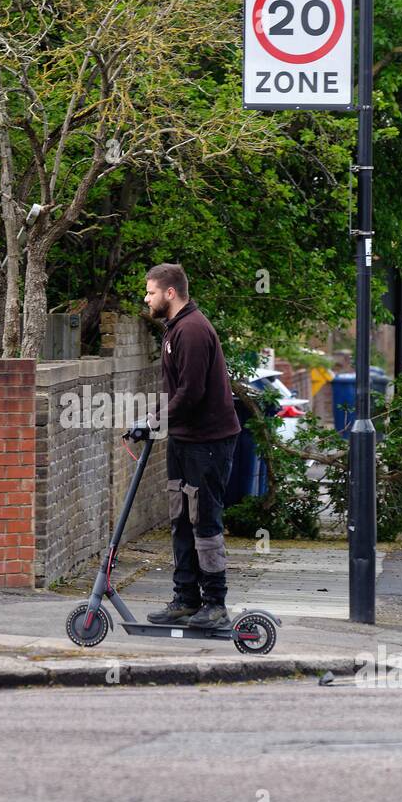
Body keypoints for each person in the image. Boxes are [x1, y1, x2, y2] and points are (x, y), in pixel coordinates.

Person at [142, 263, 241, 630]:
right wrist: (152, 418)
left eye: (151, 291)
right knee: (181, 519)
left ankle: (215, 603)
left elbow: (191, 393)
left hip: (209, 442)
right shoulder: (174, 330)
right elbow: (175, 393)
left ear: (170, 293)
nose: (146, 298)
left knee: (205, 522)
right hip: (185, 438)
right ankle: (186, 599)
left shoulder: (194, 331)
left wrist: (154, 420)